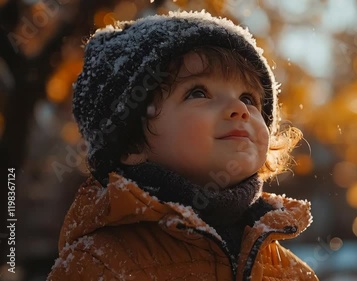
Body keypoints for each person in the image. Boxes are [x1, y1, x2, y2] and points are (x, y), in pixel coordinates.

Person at [48, 10, 318, 281]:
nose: (239, 108)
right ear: (131, 143)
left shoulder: (290, 272)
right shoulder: (100, 264)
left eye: (248, 98)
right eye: (198, 92)